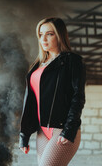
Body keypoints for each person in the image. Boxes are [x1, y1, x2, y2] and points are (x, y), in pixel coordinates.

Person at [19, 17, 86, 166]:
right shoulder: (37, 66)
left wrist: (69, 130)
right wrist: (24, 135)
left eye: (50, 34)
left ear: (60, 35)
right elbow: (30, 102)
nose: (44, 39)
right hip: (42, 131)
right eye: (41, 34)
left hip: (61, 128)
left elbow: (78, 98)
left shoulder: (72, 61)